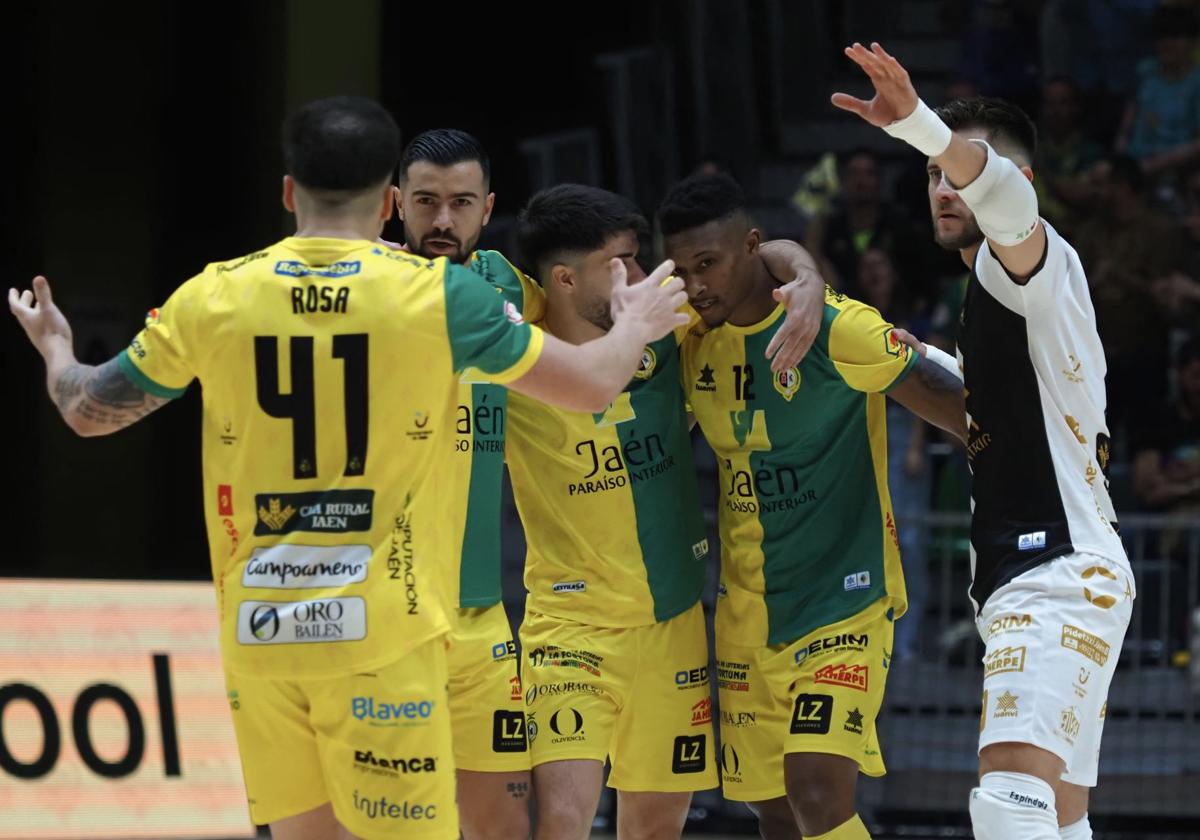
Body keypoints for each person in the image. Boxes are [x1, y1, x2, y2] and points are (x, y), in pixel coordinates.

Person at [7, 96, 690, 840]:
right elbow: (591, 385)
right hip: (383, 634)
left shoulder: (217, 293)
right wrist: (636, 326)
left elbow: (85, 408)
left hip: (264, 637)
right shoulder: (436, 297)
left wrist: (56, 352)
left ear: (289, 191)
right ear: (392, 200)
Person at [834, 42, 1134, 840]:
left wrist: (925, 128)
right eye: (932, 175)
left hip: (1055, 573)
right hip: (1055, 575)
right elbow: (969, 407)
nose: (943, 184)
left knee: (1008, 805)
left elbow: (1004, 206)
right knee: (1059, 823)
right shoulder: (994, 300)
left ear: (1019, 184)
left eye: (956, 169)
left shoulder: (1031, 259)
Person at [508, 183, 827, 840]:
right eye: (619, 263)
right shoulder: (515, 356)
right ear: (565, 279)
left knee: (655, 831)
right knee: (561, 822)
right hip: (571, 629)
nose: (641, 278)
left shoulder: (670, 327)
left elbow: (759, 257)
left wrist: (808, 276)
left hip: (672, 626)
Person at [658, 171, 966, 840]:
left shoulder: (836, 329)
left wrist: (1049, 469)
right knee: (775, 814)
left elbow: (963, 410)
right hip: (748, 614)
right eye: (682, 270)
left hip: (844, 601)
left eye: (707, 263)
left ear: (751, 248)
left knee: (818, 792)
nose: (697, 283)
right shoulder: (688, 340)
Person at [390, 128, 537, 840]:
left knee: (503, 828)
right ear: (394, 203)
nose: (442, 221)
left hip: (482, 620)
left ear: (488, 208)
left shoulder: (507, 285)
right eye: (425, 202)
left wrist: (799, 269)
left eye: (460, 203)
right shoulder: (367, 288)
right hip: (392, 619)